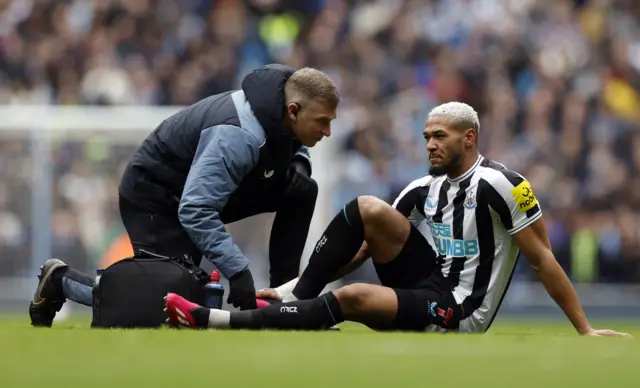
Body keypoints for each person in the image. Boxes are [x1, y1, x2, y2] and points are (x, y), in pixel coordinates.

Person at [164, 101, 630, 337]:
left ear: (469, 138)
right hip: (427, 281)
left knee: (355, 297)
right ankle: (291, 298)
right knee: (367, 207)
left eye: (440, 136)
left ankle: (216, 320)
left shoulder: (505, 185)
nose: (429, 144)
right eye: (426, 135)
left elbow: (543, 258)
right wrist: (299, 282)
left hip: (459, 310)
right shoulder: (423, 187)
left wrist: (584, 330)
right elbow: (362, 246)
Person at [29, 64, 340, 327]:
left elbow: (291, 141)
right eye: (322, 122)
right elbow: (196, 208)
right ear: (294, 111)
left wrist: (299, 163)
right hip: (153, 196)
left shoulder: (284, 103)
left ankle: (284, 306)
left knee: (301, 189)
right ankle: (60, 279)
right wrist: (239, 271)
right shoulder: (239, 135)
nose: (327, 131)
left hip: (191, 191)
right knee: (170, 301)